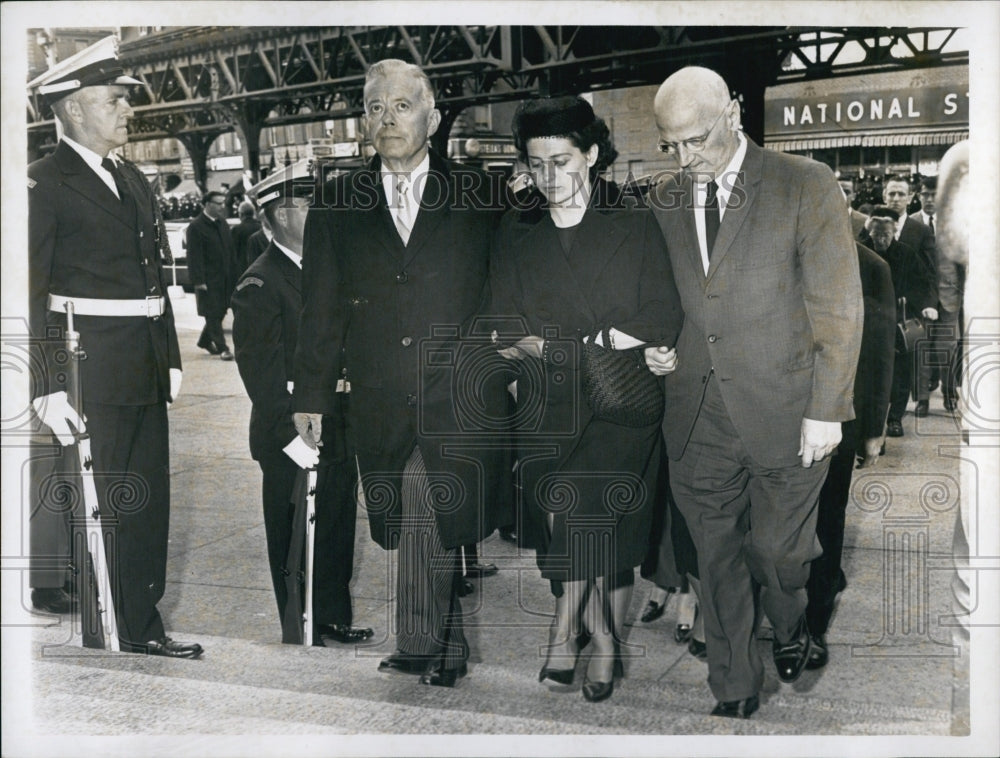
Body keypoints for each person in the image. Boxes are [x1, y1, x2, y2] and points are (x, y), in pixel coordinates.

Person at [645, 66, 864, 718]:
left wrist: (828, 409)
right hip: (695, 417)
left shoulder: (804, 184)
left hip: (788, 413)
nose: (686, 159)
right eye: (671, 145)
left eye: (698, 140)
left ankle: (793, 625)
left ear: (734, 114)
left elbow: (839, 307)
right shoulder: (660, 199)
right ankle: (734, 684)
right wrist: (656, 343)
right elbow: (666, 300)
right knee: (715, 560)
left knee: (779, 557)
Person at [292, 59, 509, 688]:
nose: (387, 120)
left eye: (402, 107)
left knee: (431, 504)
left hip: (459, 388)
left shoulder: (480, 193)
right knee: (407, 514)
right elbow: (321, 305)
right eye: (375, 107)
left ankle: (432, 643)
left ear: (433, 119)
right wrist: (311, 392)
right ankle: (434, 641)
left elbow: (508, 284)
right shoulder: (338, 199)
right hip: (383, 391)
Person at [487, 95, 683, 702]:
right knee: (573, 526)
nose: (550, 178)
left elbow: (663, 311)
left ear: (592, 155)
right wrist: (557, 348)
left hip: (618, 402)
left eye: (563, 161)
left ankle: (575, 637)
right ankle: (593, 635)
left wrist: (587, 341)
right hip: (548, 406)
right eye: (537, 163)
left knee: (595, 523)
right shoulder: (518, 231)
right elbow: (497, 320)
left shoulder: (633, 222)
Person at [27, 36, 201, 658]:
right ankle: (114, 624)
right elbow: (30, 290)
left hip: (143, 363)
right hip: (89, 368)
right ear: (73, 109)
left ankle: (141, 622)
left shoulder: (130, 176)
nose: (128, 110)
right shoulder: (42, 185)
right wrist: (44, 385)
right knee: (106, 502)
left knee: (148, 497)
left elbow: (155, 275)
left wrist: (171, 357)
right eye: (112, 100)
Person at [231, 160, 374, 647]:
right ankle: (299, 621)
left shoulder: (325, 271)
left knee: (335, 522)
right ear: (276, 215)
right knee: (294, 528)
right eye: (303, 203)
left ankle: (331, 614)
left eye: (314, 201)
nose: (314, 211)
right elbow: (260, 373)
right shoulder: (261, 281)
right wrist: (286, 434)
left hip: (336, 419)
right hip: (290, 428)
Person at [804, 239, 895, 668]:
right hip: (775, 408)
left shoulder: (869, 265)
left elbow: (879, 351)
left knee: (827, 517)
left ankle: (814, 623)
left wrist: (874, 427)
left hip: (839, 412)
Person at [864, 207, 939, 438]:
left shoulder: (906, 254)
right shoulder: (861, 250)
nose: (881, 240)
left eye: (885, 235)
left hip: (898, 323)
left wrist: (926, 304)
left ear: (894, 231)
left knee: (901, 373)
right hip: (868, 323)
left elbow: (924, 282)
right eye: (876, 235)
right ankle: (871, 422)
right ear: (870, 231)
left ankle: (895, 418)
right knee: (871, 374)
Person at [916, 176, 964, 412]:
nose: (929, 199)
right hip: (922, 298)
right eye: (925, 194)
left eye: (934, 194)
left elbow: (964, 261)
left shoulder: (956, 224)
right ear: (919, 195)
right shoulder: (913, 223)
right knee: (922, 346)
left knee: (947, 348)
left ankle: (949, 392)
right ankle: (923, 399)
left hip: (950, 296)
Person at [187, 190, 236, 360]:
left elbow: (230, 250)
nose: (222, 207)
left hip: (225, 277)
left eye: (223, 203)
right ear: (207, 204)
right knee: (212, 313)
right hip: (208, 279)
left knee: (221, 310)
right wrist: (198, 280)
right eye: (218, 203)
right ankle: (224, 348)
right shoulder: (196, 226)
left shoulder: (222, 223)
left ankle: (204, 341)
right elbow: (194, 256)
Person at [231, 199, 262, 276]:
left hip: (243, 267)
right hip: (260, 265)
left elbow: (233, 250)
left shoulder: (237, 229)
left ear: (241, 214)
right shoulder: (260, 227)